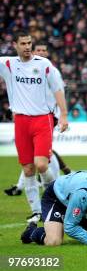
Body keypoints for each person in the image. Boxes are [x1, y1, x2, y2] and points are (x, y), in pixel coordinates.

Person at [0, 33, 69, 224]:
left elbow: (58, 89)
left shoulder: (43, 64)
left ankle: (54, 191)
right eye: (23, 43)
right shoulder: (7, 64)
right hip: (21, 121)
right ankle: (37, 211)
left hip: (42, 119)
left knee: (41, 165)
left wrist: (63, 115)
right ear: (15, 45)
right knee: (28, 169)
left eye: (29, 43)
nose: (27, 46)